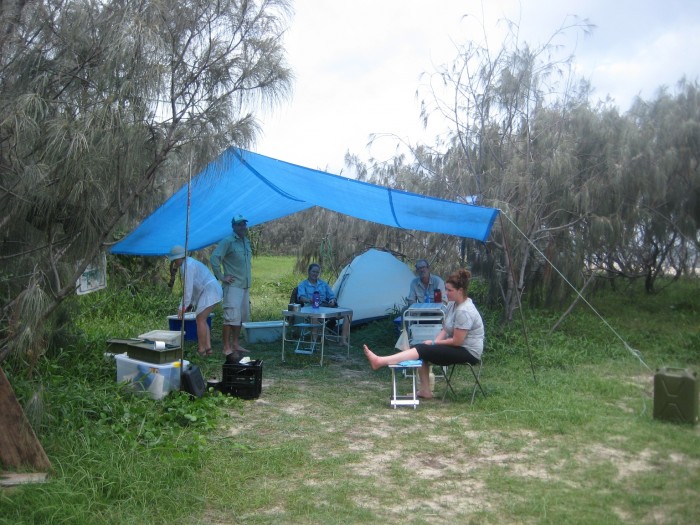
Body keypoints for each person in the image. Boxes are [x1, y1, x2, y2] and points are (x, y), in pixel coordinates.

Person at [364, 268, 484, 399]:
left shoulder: (464, 311)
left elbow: (457, 341)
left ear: (460, 291)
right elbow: (445, 330)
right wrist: (433, 344)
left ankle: (380, 361)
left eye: (450, 290)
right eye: (446, 289)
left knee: (422, 349)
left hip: (468, 352)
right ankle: (425, 391)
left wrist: (434, 343)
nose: (446, 293)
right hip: (458, 347)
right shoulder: (452, 305)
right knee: (423, 348)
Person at [168, 245, 223, 357]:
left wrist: (182, 306)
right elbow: (194, 287)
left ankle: (201, 350)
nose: (174, 262)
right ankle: (208, 349)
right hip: (210, 290)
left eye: (174, 260)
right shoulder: (188, 263)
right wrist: (190, 303)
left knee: (200, 319)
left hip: (210, 290)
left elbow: (187, 289)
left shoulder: (187, 266)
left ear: (178, 258)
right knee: (202, 319)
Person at [210, 214, 252, 359]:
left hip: (245, 285)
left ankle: (235, 343)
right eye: (239, 224)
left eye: (244, 224)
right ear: (233, 226)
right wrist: (221, 277)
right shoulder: (228, 241)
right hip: (233, 286)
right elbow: (214, 258)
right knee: (230, 317)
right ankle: (226, 347)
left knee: (240, 317)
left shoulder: (245, 241)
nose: (242, 227)